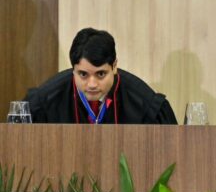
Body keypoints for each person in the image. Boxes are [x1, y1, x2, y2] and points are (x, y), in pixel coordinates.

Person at [23, 28, 177, 124]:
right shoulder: (44, 102)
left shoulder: (146, 105)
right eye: (83, 74)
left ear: (114, 66)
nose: (92, 84)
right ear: (73, 70)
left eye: (100, 74)